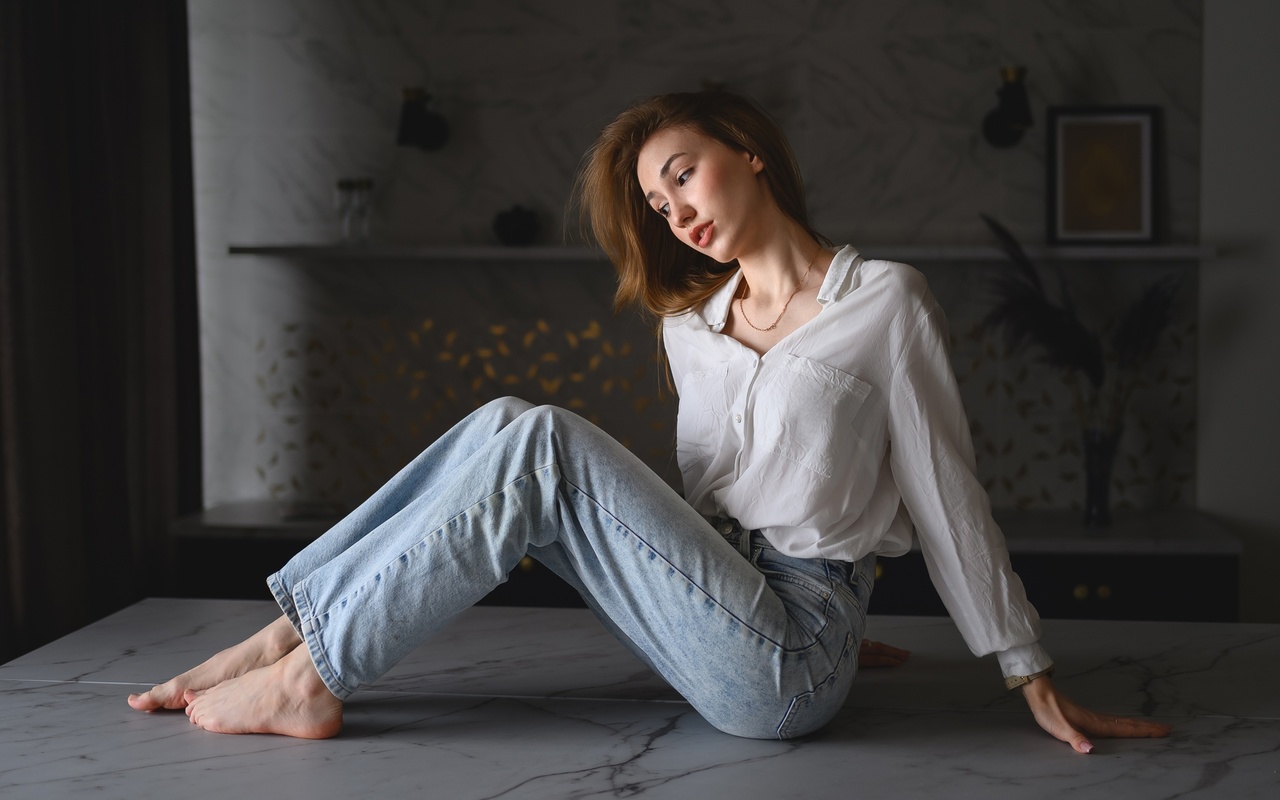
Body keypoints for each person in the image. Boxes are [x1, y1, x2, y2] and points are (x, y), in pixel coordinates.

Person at [129, 90, 1171, 752]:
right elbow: (701, 510)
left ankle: (311, 673)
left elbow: (945, 495)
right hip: (723, 615)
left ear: (748, 152)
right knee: (506, 419)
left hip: (790, 656)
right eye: (659, 207)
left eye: (682, 174)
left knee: (535, 437)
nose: (677, 213)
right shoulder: (693, 324)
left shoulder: (881, 303)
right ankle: (286, 631)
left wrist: (1019, 663)